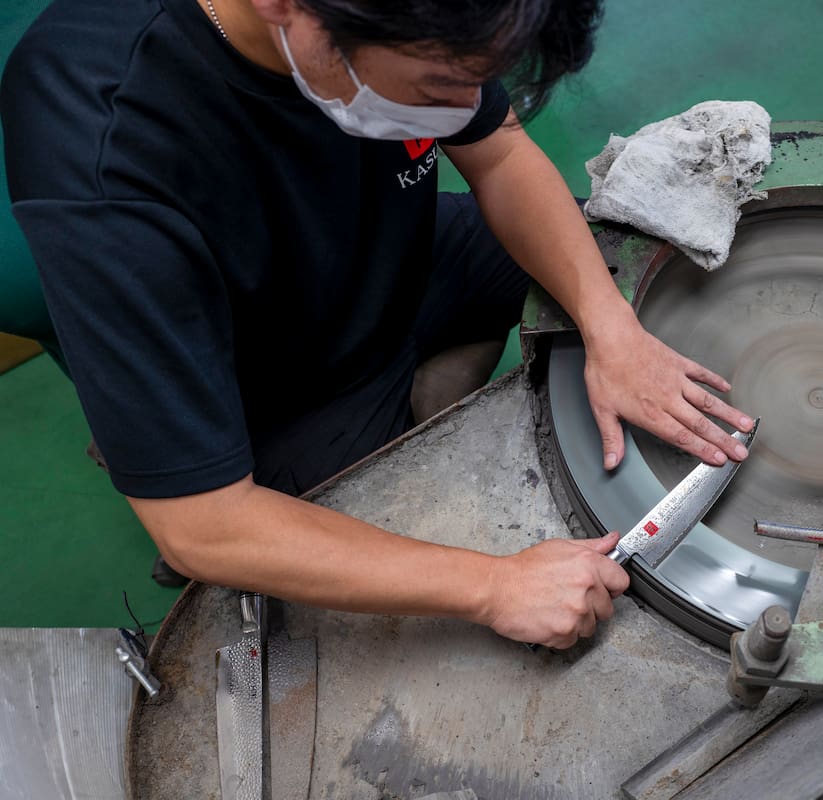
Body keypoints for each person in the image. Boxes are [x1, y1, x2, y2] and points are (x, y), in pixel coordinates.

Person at [0, 0, 755, 649]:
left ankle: (421, 389)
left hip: (401, 253)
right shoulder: (103, 146)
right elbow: (202, 525)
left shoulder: (414, 19)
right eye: (441, 89)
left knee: (601, 267)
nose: (467, 109)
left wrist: (611, 327)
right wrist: (492, 586)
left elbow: (498, 154)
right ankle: (162, 440)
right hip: (276, 384)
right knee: (428, 546)